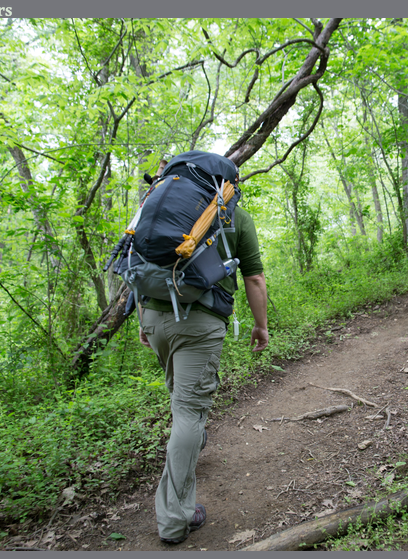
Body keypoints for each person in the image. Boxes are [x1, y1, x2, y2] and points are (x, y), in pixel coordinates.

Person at [137, 161, 269, 544]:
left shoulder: (155, 210)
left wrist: (145, 321)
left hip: (155, 317)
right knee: (188, 412)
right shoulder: (236, 217)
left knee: (183, 404)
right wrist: (261, 326)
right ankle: (175, 519)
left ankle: (192, 441)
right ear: (227, 184)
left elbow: (139, 265)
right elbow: (254, 278)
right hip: (201, 323)